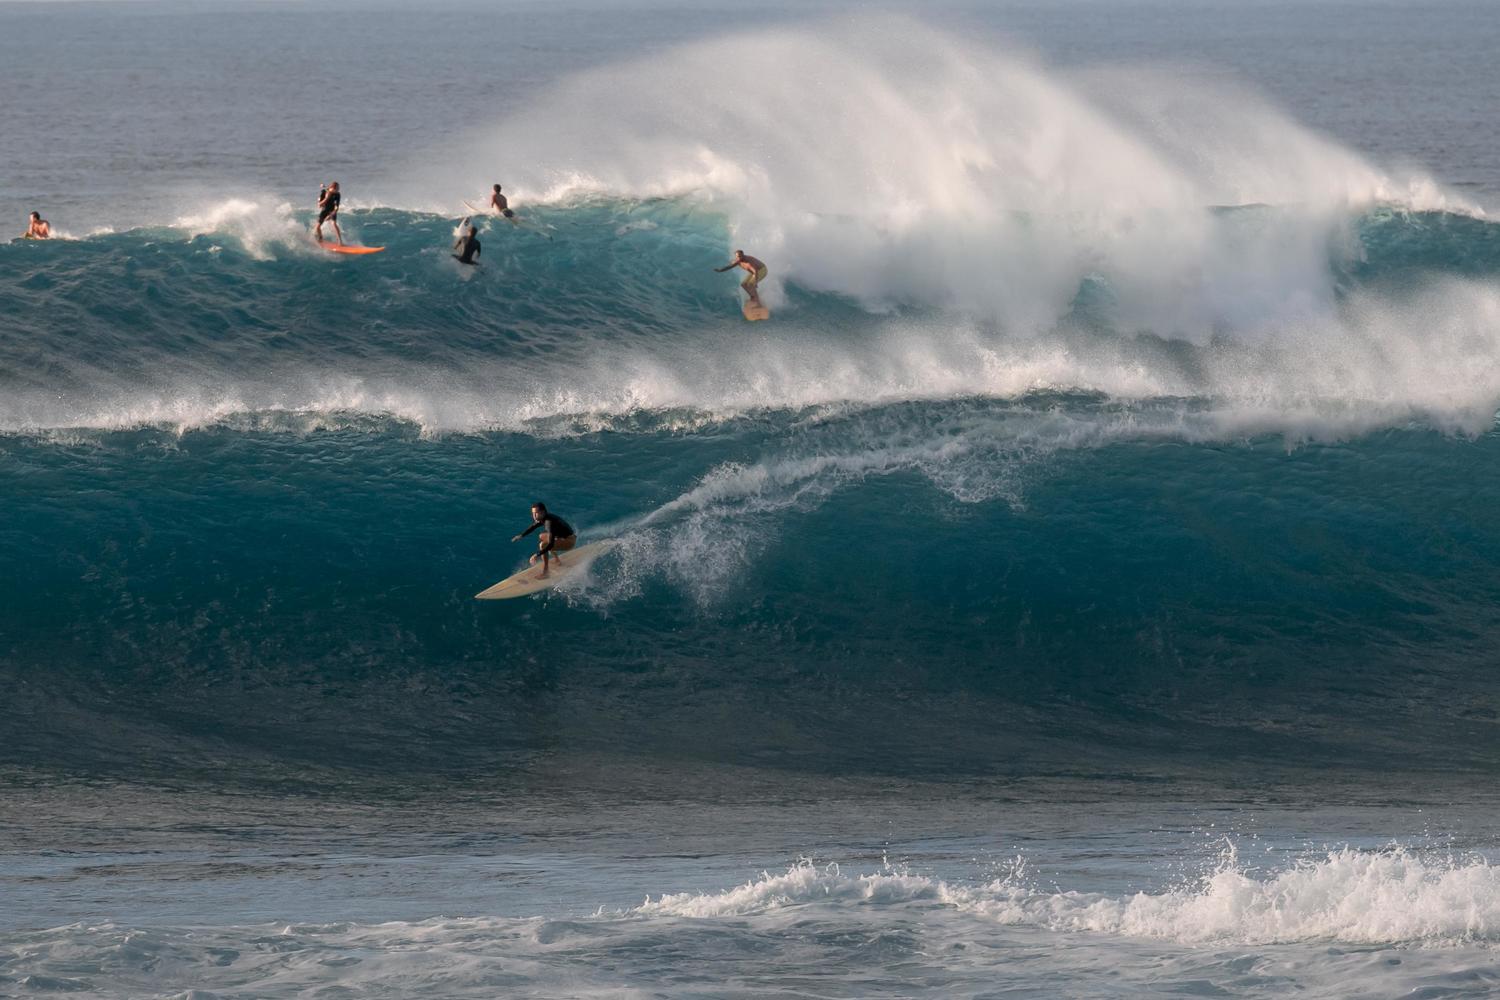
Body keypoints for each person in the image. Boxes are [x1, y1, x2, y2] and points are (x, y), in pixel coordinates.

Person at [511, 502, 577, 578]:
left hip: (569, 542)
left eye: (536, 513)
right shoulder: (544, 517)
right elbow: (533, 526)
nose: (534, 516)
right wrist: (521, 535)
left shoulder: (549, 523)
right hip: (563, 537)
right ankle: (557, 560)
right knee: (541, 536)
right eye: (533, 513)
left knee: (543, 545)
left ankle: (546, 573)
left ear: (542, 512)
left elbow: (551, 544)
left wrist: (537, 555)